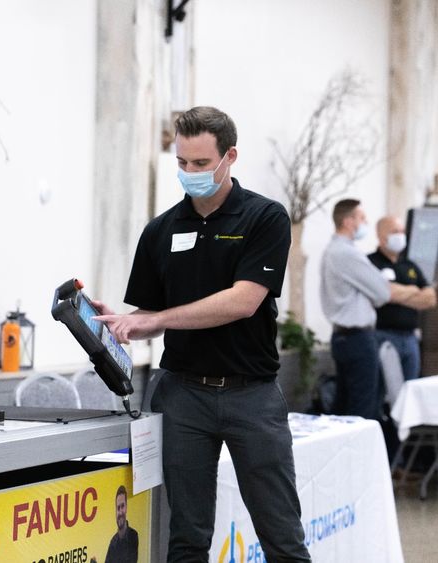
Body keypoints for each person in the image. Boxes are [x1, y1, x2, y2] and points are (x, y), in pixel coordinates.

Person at [94, 106, 311, 562]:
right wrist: (121, 322)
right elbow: (149, 313)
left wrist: (155, 320)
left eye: (200, 164)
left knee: (281, 535)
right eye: (182, 163)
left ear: (229, 156)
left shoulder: (264, 218)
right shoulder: (161, 231)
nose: (189, 173)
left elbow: (243, 301)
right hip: (182, 397)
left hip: (250, 396)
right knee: (187, 536)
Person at [320, 200, 420, 421]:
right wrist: (412, 290)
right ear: (348, 221)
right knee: (363, 408)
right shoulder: (347, 253)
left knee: (345, 405)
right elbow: (382, 293)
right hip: (358, 338)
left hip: (343, 336)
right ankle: (358, 456)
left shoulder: (332, 250)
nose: (365, 223)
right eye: (362, 218)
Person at [368, 215, 437, 380]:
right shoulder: (370, 263)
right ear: (381, 236)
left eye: (402, 231)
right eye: (395, 232)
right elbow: (382, 293)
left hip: (410, 338)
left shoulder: (409, 265)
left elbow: (430, 298)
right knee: (381, 386)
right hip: (382, 335)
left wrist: (397, 293)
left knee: (410, 387)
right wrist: (414, 290)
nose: (400, 235)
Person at [104, 485, 139, 563]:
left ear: (126, 507)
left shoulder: (133, 536)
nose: (120, 512)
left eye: (122, 506)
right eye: (118, 508)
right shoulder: (113, 542)